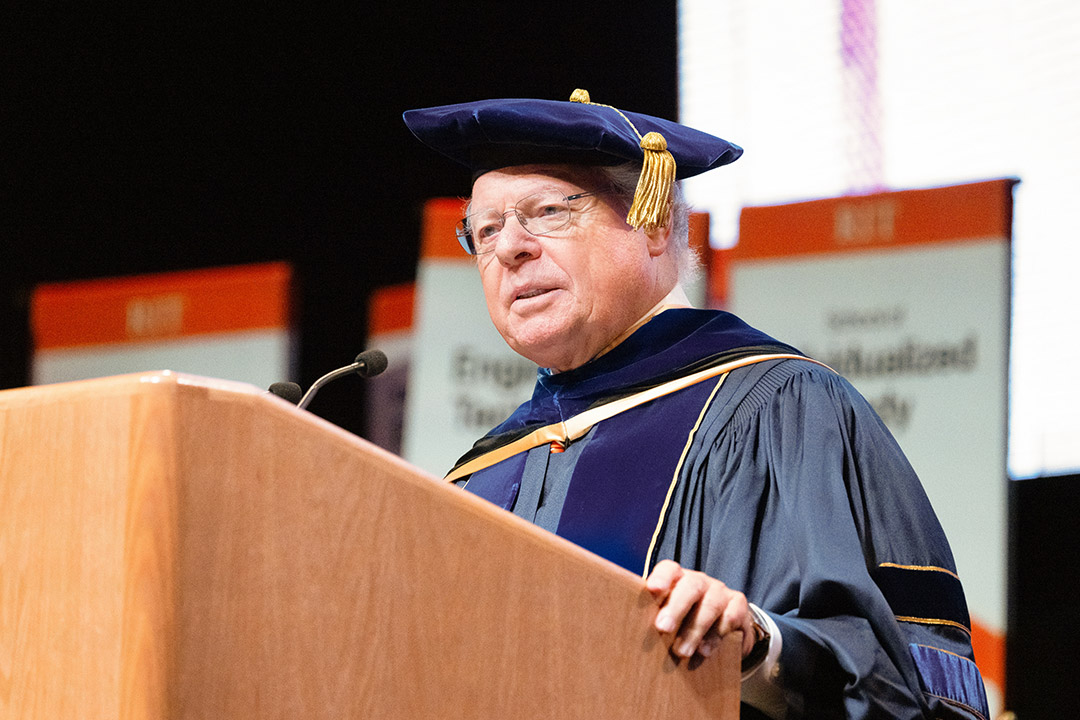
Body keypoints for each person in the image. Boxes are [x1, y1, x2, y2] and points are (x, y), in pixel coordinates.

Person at [403, 90, 990, 719]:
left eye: (547, 211)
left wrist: (760, 648)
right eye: (486, 230)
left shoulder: (781, 406)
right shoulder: (481, 477)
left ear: (654, 226)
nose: (510, 247)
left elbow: (909, 675)